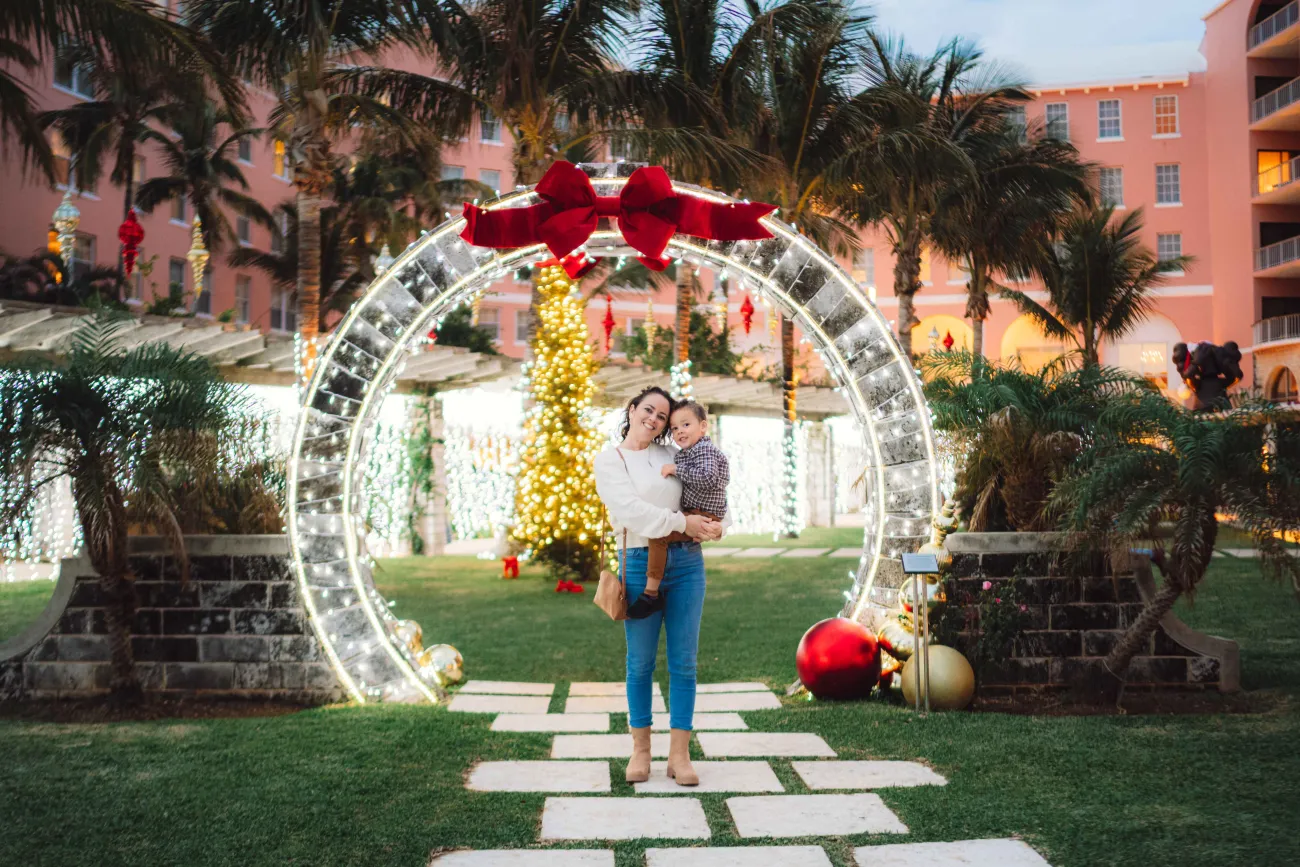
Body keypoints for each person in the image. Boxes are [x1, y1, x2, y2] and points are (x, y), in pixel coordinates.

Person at [593, 386, 722, 787]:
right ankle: (641, 750)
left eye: (662, 416)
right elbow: (632, 512)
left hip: (687, 563)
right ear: (632, 409)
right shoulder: (610, 460)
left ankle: (679, 756)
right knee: (640, 663)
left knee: (684, 662)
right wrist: (684, 522)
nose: (654, 419)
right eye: (648, 410)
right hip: (637, 562)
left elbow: (710, 487)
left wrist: (719, 524)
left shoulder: (673, 454)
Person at [645, 401, 729, 601]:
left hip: (702, 512)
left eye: (686, 425)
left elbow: (708, 477)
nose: (680, 431)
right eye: (674, 428)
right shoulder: (689, 452)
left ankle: (650, 591)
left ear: (703, 426)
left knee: (659, 534)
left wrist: (676, 469)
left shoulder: (703, 450)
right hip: (699, 511)